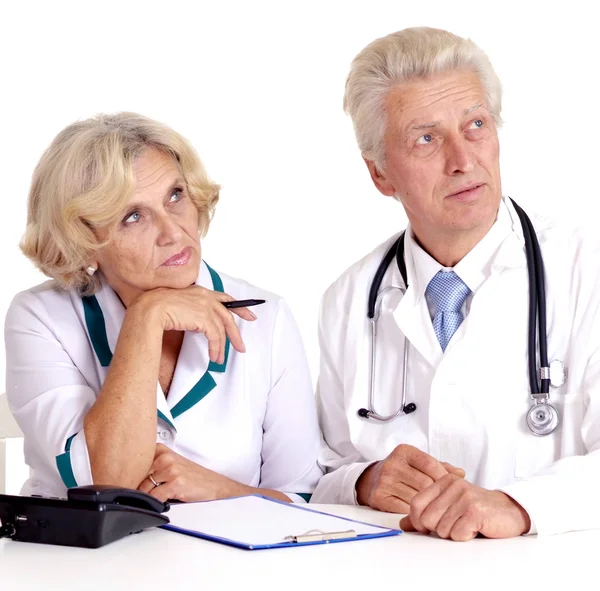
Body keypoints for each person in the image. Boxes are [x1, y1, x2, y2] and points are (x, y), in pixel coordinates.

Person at [311, 27, 600, 539]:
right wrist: (364, 481)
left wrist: (518, 506)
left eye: (475, 125)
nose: (463, 160)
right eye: (426, 138)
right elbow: (321, 473)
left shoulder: (584, 267)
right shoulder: (350, 300)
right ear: (380, 174)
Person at [5, 112, 323, 503]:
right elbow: (105, 486)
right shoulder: (40, 317)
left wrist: (220, 491)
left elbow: (305, 502)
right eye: (133, 216)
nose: (173, 232)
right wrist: (147, 317)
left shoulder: (266, 318)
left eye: (175, 196)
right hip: (79, 563)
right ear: (84, 241)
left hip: (229, 563)